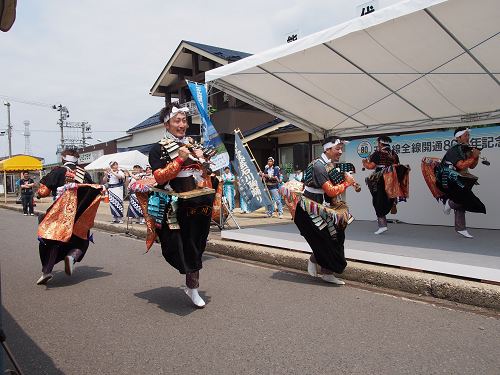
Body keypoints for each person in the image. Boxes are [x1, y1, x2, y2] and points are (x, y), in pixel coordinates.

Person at [140, 102, 215, 308]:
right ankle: (190, 284)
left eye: (184, 120)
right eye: (177, 121)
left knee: (196, 244)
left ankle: (193, 288)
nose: (182, 124)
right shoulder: (158, 149)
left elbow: (205, 175)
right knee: (175, 247)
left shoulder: (193, 144)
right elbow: (160, 178)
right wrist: (179, 161)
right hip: (173, 205)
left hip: (197, 200)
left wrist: (201, 161)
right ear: (167, 124)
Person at [294, 136, 357, 285]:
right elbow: (330, 191)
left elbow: (333, 184)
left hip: (320, 208)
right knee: (326, 240)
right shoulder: (319, 166)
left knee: (334, 236)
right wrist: (347, 184)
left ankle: (319, 264)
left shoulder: (326, 164)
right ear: (327, 150)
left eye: (341, 148)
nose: (340, 151)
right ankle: (326, 271)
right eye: (338, 149)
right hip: (309, 210)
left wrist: (345, 178)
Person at [35, 149, 102, 284]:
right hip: (80, 212)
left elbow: (44, 192)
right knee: (82, 238)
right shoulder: (84, 173)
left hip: (61, 212)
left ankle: (46, 271)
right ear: (77, 160)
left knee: (51, 239)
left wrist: (39, 189)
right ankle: (71, 257)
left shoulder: (58, 171)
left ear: (63, 159)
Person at [434, 128, 485, 238]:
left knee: (461, 202)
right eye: (465, 135)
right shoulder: (453, 150)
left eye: (468, 135)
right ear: (458, 138)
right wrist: (474, 156)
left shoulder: (465, 149)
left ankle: (461, 228)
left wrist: (474, 157)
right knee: (468, 200)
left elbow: (471, 166)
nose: (468, 137)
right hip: (448, 179)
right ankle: (449, 203)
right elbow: (461, 165)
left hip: (459, 179)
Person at [362, 136, 410, 235]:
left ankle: (382, 225)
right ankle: (392, 203)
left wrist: (365, 162)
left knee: (378, 201)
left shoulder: (379, 154)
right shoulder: (394, 154)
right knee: (387, 198)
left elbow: (371, 166)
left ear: (381, 144)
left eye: (378, 143)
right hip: (391, 181)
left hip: (381, 180)